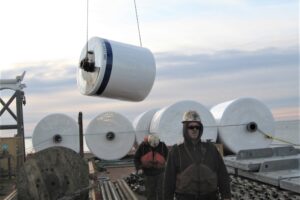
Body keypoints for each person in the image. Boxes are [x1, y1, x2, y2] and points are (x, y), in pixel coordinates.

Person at [163, 110, 231, 200]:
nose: (194, 129)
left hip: (210, 197)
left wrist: (226, 196)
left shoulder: (211, 149)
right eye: (191, 127)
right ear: (185, 128)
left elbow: (222, 174)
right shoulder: (176, 151)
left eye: (197, 127)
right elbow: (169, 180)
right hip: (185, 197)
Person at [134, 134, 169, 200]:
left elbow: (168, 156)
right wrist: (139, 168)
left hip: (160, 173)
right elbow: (136, 158)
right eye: (153, 145)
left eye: (156, 145)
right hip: (148, 174)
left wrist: (168, 164)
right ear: (148, 142)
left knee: (161, 192)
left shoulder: (162, 145)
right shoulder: (143, 146)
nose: (155, 147)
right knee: (150, 193)